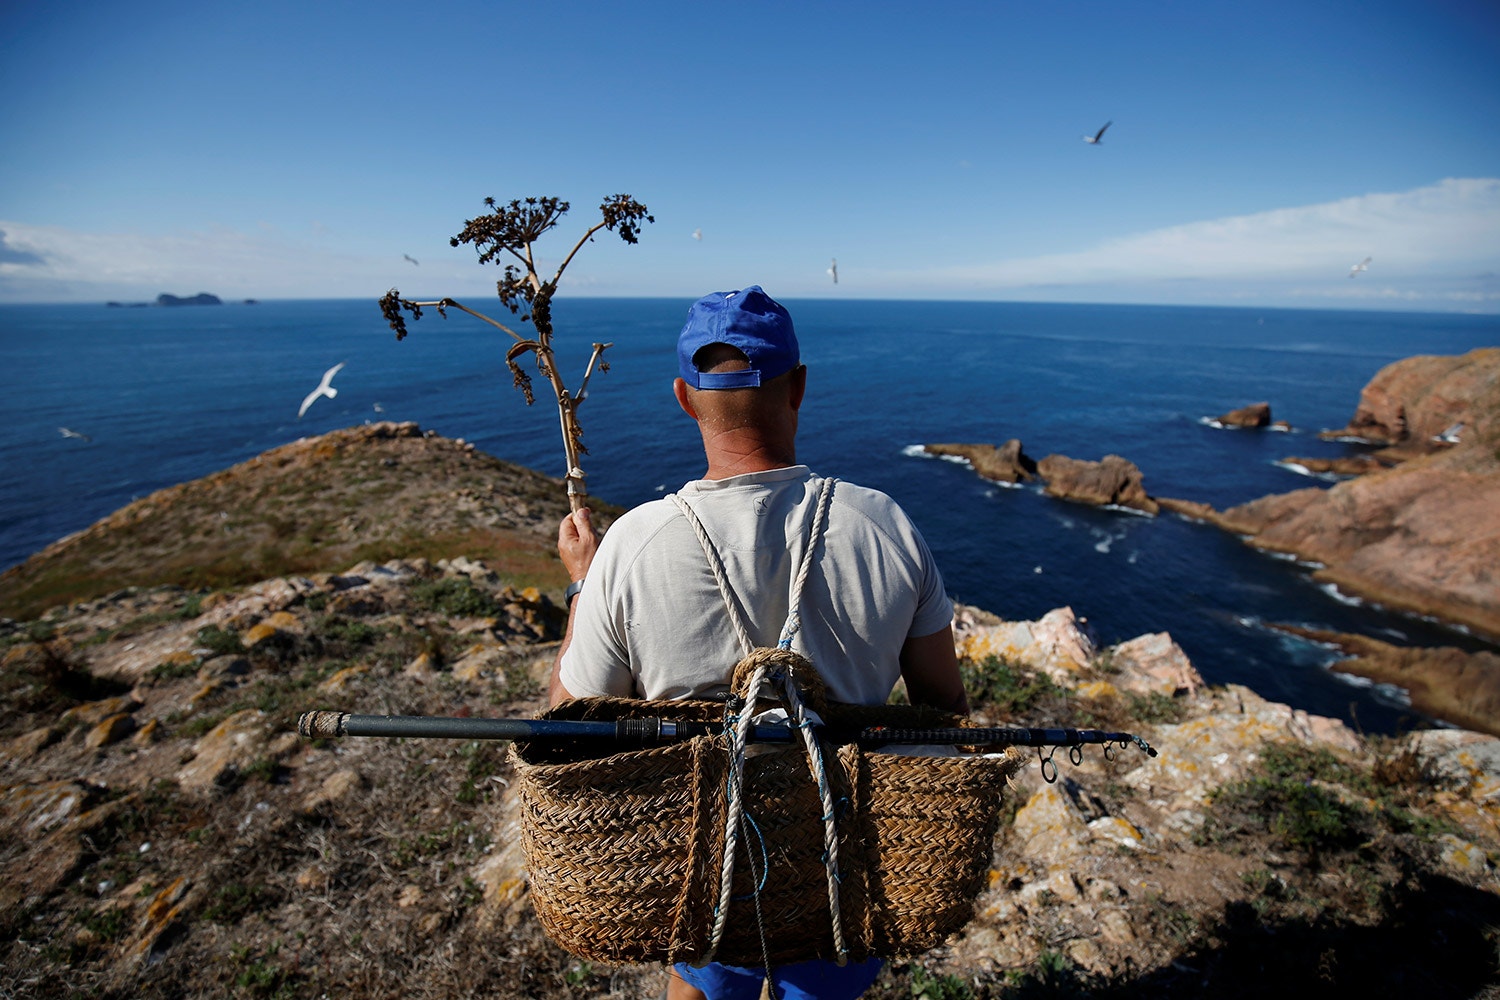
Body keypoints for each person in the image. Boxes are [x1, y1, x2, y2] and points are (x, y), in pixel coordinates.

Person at [548, 285, 968, 1000]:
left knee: (704, 981)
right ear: (799, 386)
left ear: (684, 397)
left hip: (696, 866)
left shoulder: (631, 545)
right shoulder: (885, 525)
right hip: (844, 871)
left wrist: (585, 586)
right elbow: (944, 708)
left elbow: (565, 721)